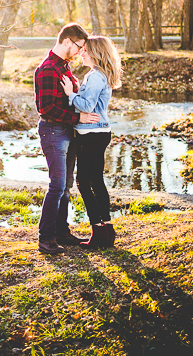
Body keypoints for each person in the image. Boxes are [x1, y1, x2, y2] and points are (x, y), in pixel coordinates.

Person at [33, 23, 99, 254]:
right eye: (79, 47)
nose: (81, 52)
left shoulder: (64, 67)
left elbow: (68, 98)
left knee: (66, 186)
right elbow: (47, 108)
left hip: (67, 131)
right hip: (53, 132)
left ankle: (61, 231)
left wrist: (76, 91)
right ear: (67, 42)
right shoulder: (48, 69)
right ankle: (46, 238)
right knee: (57, 185)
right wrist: (78, 116)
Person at [61, 35, 122, 249]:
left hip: (91, 134)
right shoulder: (97, 75)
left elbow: (87, 106)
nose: (81, 53)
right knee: (96, 181)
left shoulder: (95, 77)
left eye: (85, 50)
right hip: (98, 133)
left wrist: (70, 94)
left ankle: (98, 232)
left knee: (84, 182)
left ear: (95, 53)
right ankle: (107, 230)